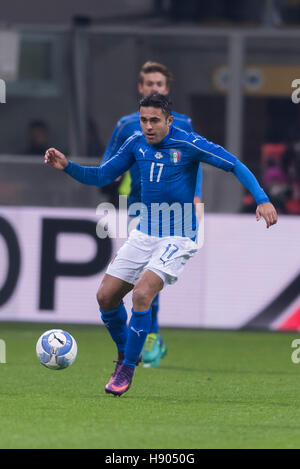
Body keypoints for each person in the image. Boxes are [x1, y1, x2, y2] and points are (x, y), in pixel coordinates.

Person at [44, 92, 277, 397]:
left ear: (169, 120)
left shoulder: (188, 143)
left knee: (142, 293)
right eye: (143, 120)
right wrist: (67, 166)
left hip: (179, 237)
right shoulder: (135, 143)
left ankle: (125, 368)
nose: (148, 126)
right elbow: (102, 175)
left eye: (155, 120)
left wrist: (261, 199)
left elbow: (234, 165)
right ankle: (128, 352)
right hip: (144, 233)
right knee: (105, 297)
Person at [102, 60, 203, 367]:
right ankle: (143, 339)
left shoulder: (181, 123)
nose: (154, 88)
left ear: (166, 89)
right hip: (136, 203)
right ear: (140, 88)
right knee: (138, 278)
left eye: (159, 85)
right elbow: (109, 160)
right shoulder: (126, 125)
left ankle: (151, 336)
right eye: (149, 84)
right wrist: (109, 176)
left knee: (149, 279)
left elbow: (194, 161)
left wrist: (197, 196)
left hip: (174, 208)